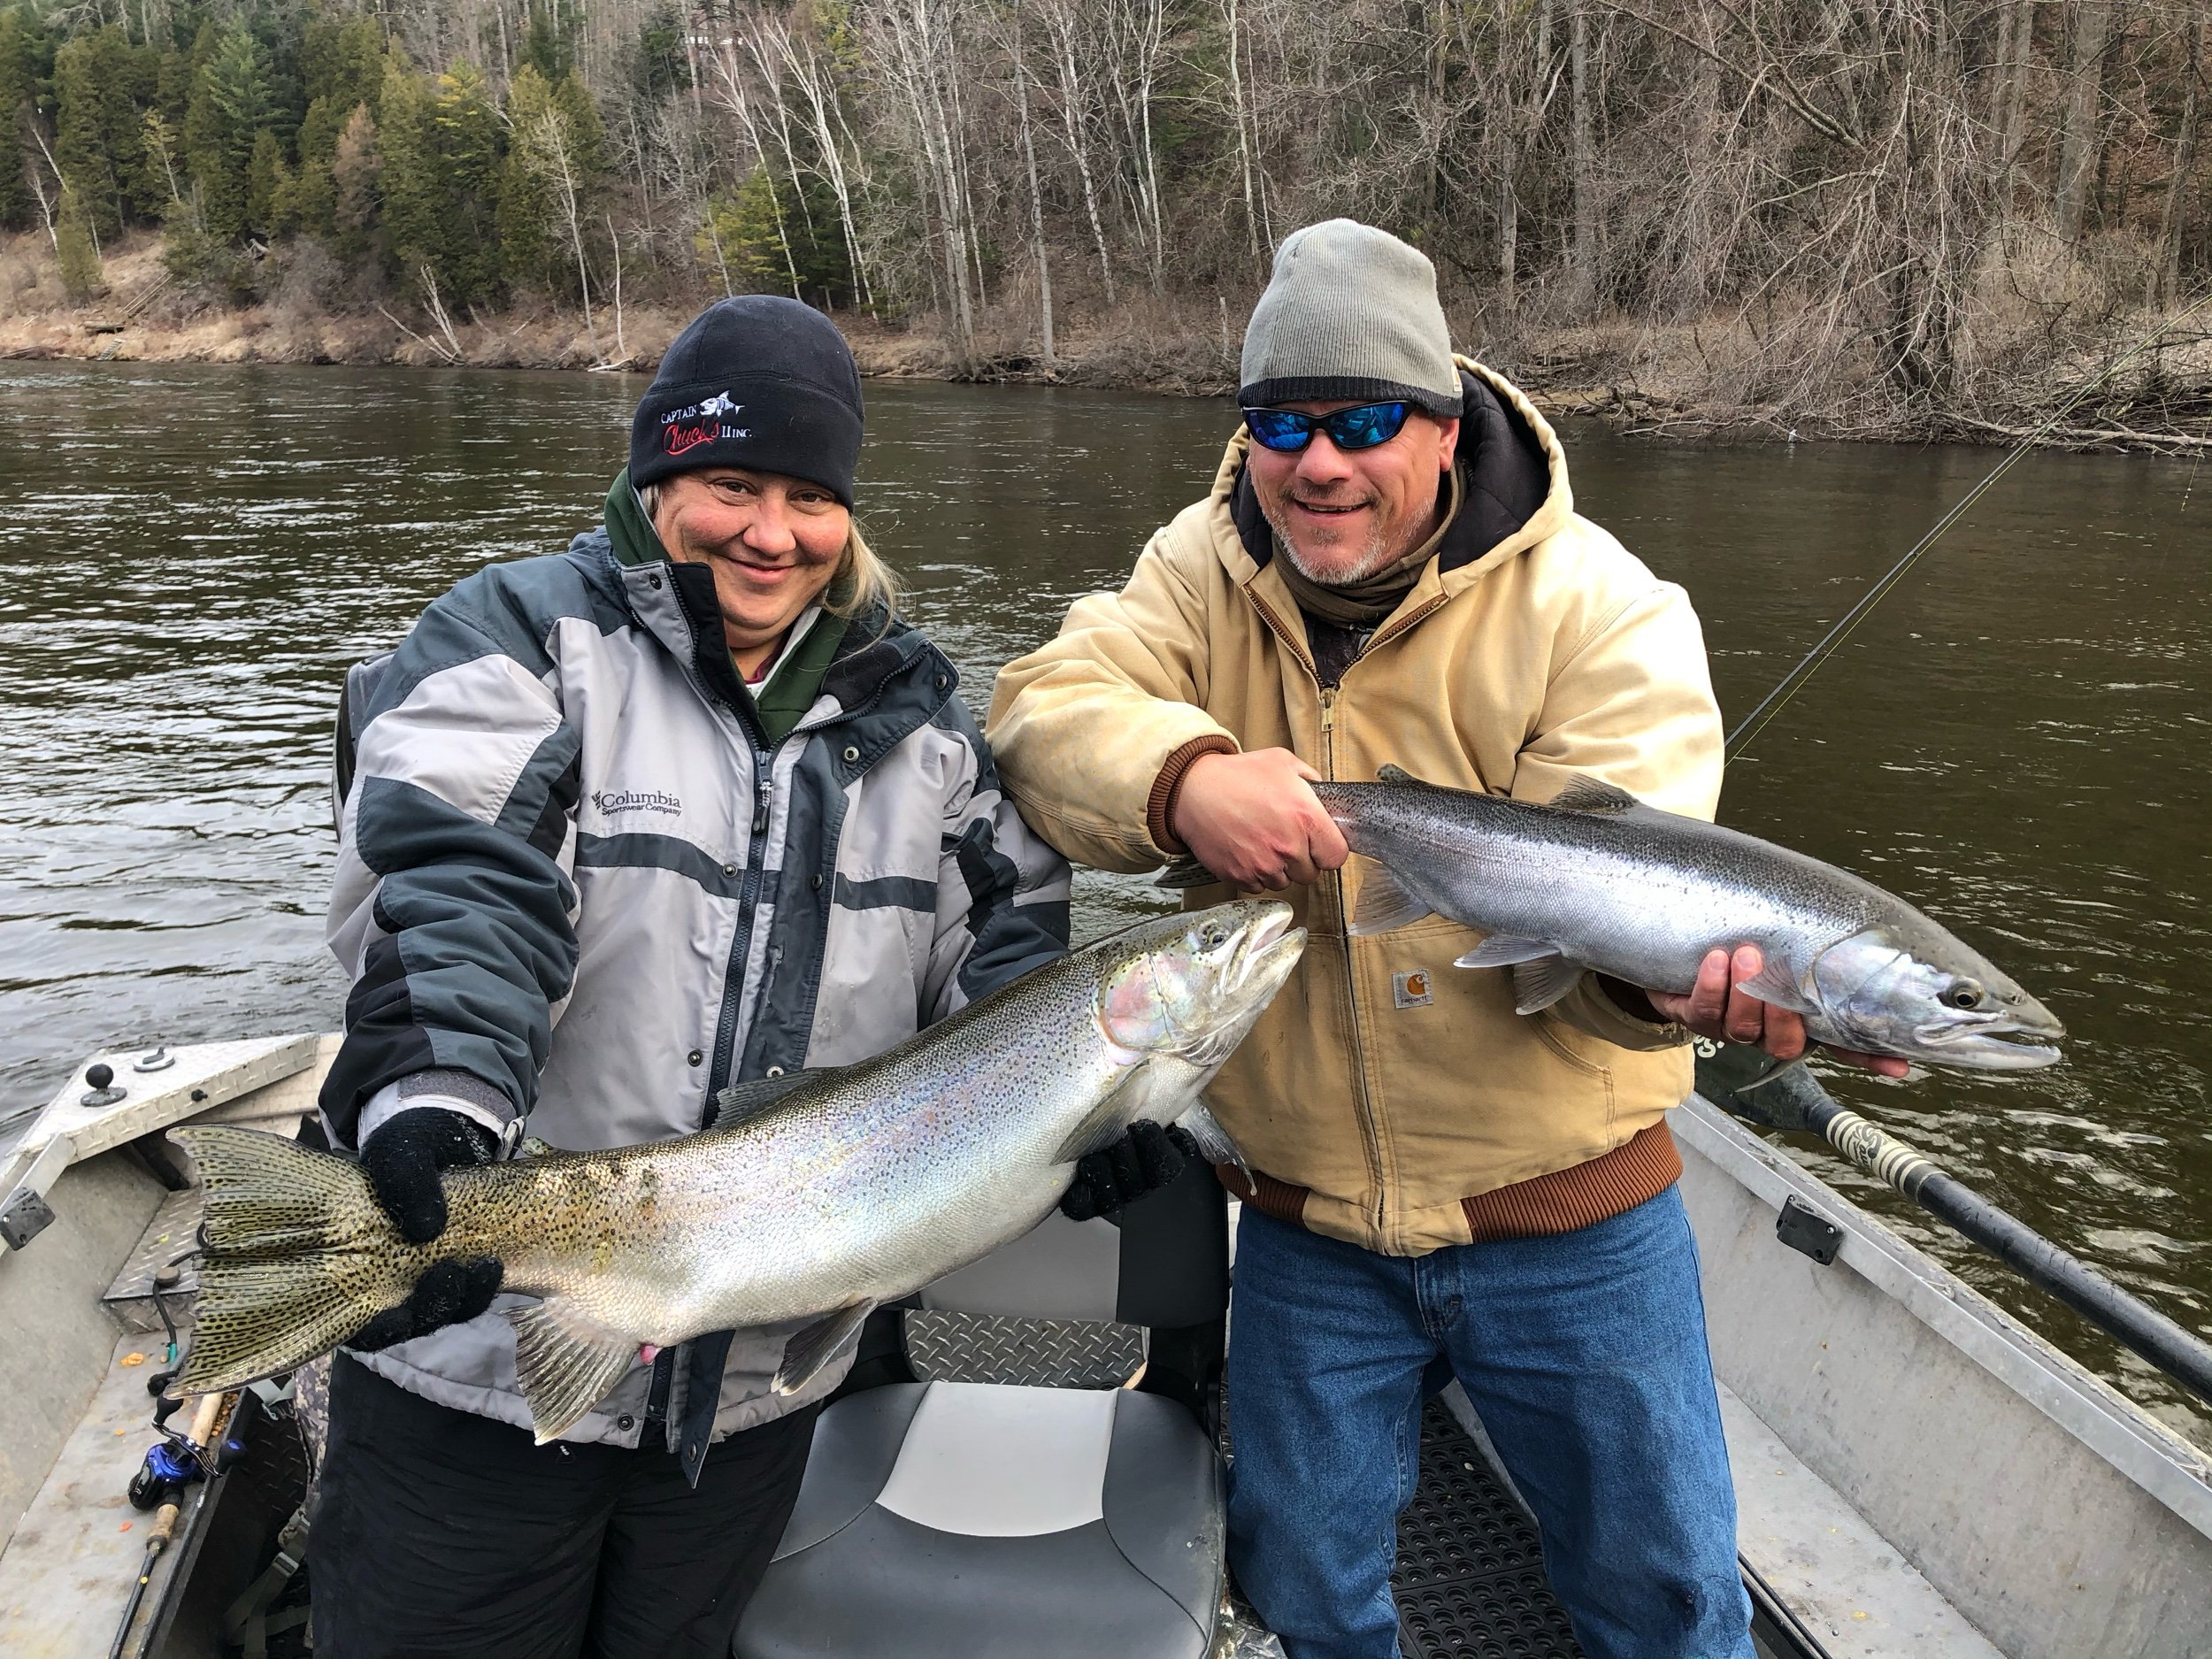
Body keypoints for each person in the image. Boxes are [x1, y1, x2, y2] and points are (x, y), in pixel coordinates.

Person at [987, 220, 1905, 1659]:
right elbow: (1043, 708)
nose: (1317, 464)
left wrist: (1673, 996)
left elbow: (1620, 943)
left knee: (1665, 1598)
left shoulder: (1602, 608)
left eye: (1360, 422)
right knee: (1306, 1589)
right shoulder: (1197, 568)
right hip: (1302, 1224)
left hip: (1576, 1218)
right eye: (1279, 424)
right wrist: (1183, 777)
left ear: (1441, 424)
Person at [311, 296, 1190, 1659]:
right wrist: (436, 1108)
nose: (770, 533)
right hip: (479, 1358)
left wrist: (1083, 1122)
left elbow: (1006, 962)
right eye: (731, 485)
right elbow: (456, 890)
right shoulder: (515, 641)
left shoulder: (928, 733)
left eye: (807, 495)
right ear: (659, 477)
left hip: (754, 1395)